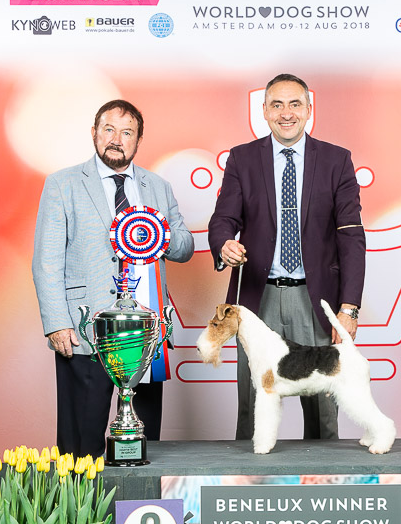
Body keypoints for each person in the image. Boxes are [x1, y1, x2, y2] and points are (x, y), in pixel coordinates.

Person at [208, 73, 366, 442]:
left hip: (316, 298)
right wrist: (224, 243)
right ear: (264, 111)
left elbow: (351, 236)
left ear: (309, 109)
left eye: (295, 104)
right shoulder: (242, 158)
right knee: (253, 401)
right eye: (276, 105)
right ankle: (248, 471)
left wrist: (349, 308)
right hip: (257, 297)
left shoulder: (337, 160)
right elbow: (223, 219)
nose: (286, 113)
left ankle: (324, 473)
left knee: (324, 408)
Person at [32, 99, 194, 457]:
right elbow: (46, 261)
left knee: (143, 443)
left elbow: (184, 248)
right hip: (84, 328)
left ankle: (141, 493)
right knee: (79, 444)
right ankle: (80, 496)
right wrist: (57, 323)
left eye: (127, 132)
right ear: (94, 133)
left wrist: (157, 232)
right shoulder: (62, 184)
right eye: (109, 129)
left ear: (139, 140)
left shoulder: (158, 186)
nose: (116, 139)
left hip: (146, 333)